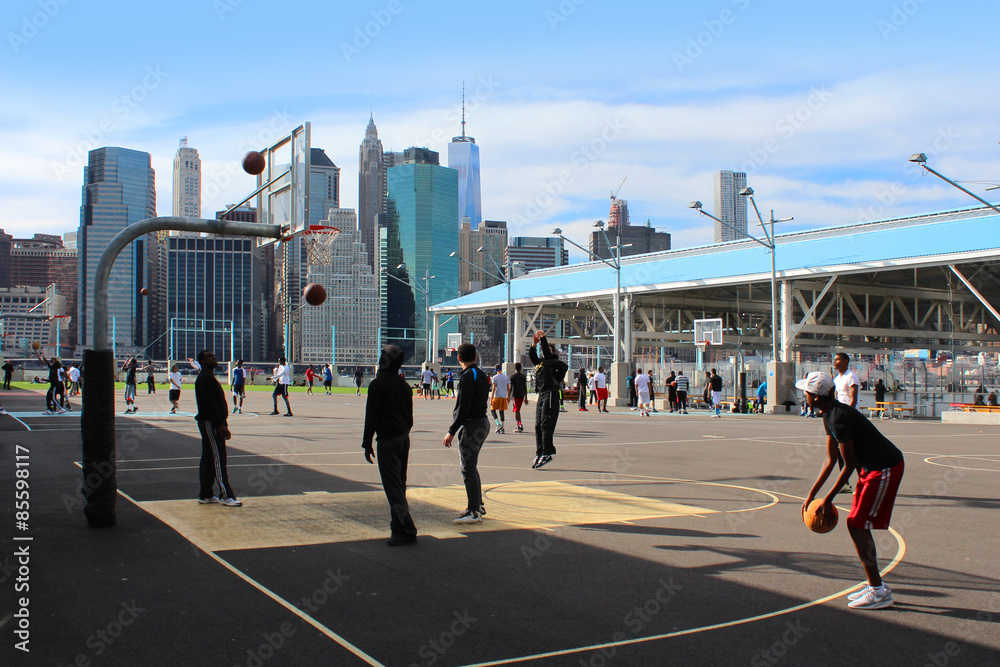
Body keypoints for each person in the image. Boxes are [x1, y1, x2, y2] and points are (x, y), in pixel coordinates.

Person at [798, 371, 904, 610]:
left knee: (857, 524)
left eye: (806, 392)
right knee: (856, 523)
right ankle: (875, 586)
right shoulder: (828, 415)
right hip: (870, 468)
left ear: (815, 396)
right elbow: (830, 460)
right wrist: (812, 494)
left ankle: (878, 591)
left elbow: (848, 465)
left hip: (884, 467)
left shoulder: (839, 417)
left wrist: (828, 499)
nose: (804, 395)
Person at [362, 345, 418, 546]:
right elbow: (409, 418)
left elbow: (371, 416)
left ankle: (406, 528)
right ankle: (397, 526)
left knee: (392, 486)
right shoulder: (404, 386)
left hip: (387, 439)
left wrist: (367, 442)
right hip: (403, 437)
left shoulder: (377, 385)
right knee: (399, 484)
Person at [443, 343, 490, 525]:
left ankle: (474, 511)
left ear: (459, 358)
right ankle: (477, 505)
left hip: (472, 424)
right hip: (483, 422)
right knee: (471, 465)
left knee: (467, 467)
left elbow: (464, 407)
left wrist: (451, 431)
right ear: (475, 357)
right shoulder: (481, 374)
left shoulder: (466, 376)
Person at [194, 350, 241, 507]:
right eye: (209, 356)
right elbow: (210, 405)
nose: (213, 357)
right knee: (218, 458)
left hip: (212, 422)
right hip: (211, 423)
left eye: (213, 355)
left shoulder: (208, 377)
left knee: (208, 458)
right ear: (202, 362)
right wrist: (220, 425)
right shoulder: (205, 379)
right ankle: (225, 494)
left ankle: (206, 494)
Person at [528, 335, 568, 469]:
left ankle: (547, 452)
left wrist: (543, 338)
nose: (545, 353)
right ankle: (540, 452)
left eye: (547, 351)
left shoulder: (553, 362)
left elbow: (547, 353)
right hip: (542, 394)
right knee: (538, 426)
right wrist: (534, 344)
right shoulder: (541, 363)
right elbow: (533, 357)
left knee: (546, 425)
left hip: (551, 394)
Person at [833, 352, 861, 492]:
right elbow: (837, 398)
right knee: (840, 451)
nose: (835, 362)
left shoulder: (851, 376)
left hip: (850, 417)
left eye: (838, 359)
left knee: (855, 451)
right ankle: (845, 484)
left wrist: (848, 414)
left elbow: (853, 399)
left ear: (845, 361)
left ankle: (863, 482)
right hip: (840, 416)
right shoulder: (837, 379)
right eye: (834, 359)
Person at [35, 349, 66, 414]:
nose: (52, 362)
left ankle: (61, 408)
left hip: (55, 384)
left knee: (53, 398)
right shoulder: (52, 368)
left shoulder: (55, 370)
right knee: (48, 396)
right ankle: (49, 409)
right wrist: (42, 357)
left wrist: (45, 380)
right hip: (54, 384)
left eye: (53, 361)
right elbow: (46, 363)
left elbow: (53, 380)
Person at [489, 364, 511, 434]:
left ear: (496, 370)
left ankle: (498, 424)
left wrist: (491, 398)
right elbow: (508, 387)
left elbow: (493, 388)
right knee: (501, 412)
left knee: (493, 410)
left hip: (497, 396)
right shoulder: (506, 377)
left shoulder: (495, 377)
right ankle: (502, 426)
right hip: (503, 396)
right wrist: (508, 396)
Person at [510, 362, 529, 433]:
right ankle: (519, 424)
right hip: (521, 395)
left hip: (515, 395)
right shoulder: (523, 377)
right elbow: (525, 387)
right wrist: (526, 397)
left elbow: (511, 387)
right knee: (518, 410)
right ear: (520, 368)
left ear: (515, 368)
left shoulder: (513, 377)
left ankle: (518, 425)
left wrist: (508, 396)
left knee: (516, 410)